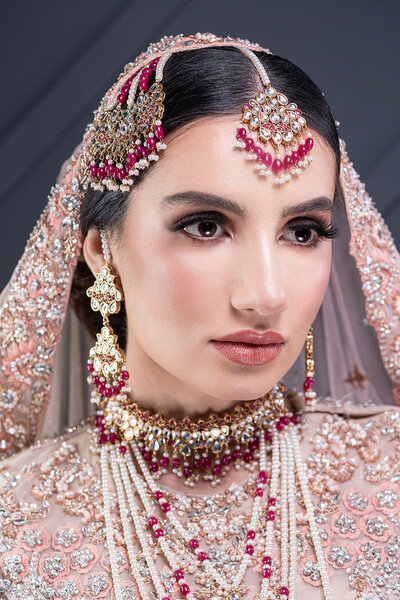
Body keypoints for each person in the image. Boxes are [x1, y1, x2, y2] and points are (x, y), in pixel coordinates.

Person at [0, 32, 399, 600]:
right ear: (100, 250)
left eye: (303, 231)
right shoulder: (14, 525)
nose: (264, 296)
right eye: (206, 226)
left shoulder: (391, 470)